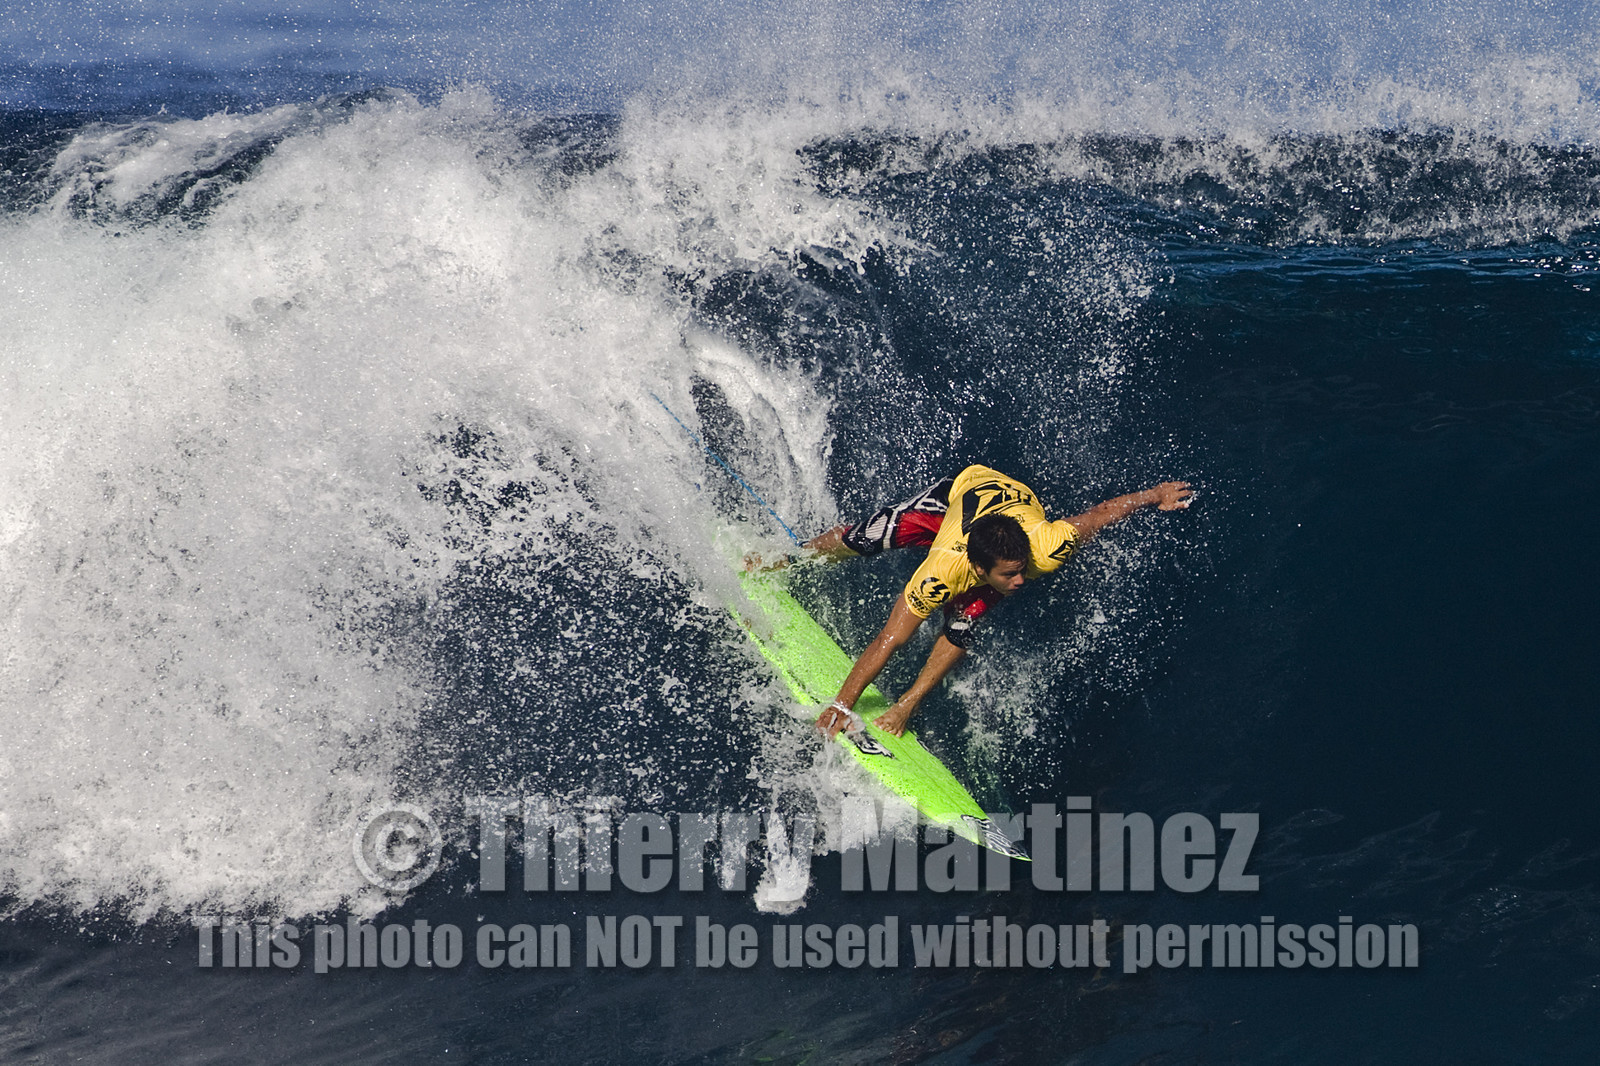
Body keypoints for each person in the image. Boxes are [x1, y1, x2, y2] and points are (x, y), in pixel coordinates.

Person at [797, 464, 1193, 738]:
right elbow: (891, 638)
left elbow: (1099, 514)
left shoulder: (1050, 546)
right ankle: (794, 555)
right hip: (967, 488)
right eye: (1009, 575)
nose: (1020, 582)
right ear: (978, 568)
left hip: (1016, 506)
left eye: (1022, 570)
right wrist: (844, 704)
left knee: (963, 624)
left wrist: (1155, 495)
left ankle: (909, 703)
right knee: (868, 537)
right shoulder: (943, 569)